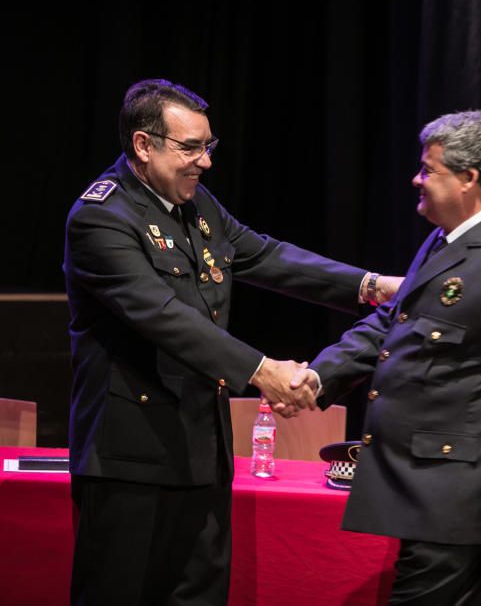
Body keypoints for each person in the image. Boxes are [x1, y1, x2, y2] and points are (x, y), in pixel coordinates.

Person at [63, 78, 400, 605]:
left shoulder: (196, 205)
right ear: (143, 145)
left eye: (208, 146)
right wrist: (262, 368)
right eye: (190, 148)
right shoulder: (100, 218)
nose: (205, 161)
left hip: (202, 448)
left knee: (199, 595)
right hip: (131, 458)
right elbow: (165, 316)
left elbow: (264, 255)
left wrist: (371, 286)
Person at [291, 111, 481, 604]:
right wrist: (320, 376)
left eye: (429, 169)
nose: (416, 179)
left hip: (458, 503)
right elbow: (392, 322)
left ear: (469, 178)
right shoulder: (449, 239)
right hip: (437, 498)